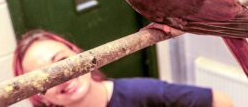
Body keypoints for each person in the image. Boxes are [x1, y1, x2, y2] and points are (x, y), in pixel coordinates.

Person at [13, 29, 233, 107]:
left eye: (62, 61)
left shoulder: (141, 93)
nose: (61, 78)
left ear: (79, 55)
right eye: (43, 79)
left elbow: (221, 102)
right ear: (38, 96)